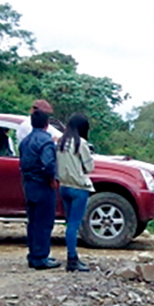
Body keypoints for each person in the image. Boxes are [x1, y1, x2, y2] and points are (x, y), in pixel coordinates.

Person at [19, 100, 60, 269]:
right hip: (43, 185)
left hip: (29, 185)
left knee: (33, 222)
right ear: (47, 123)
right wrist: (52, 179)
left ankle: (33, 255)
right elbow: (48, 164)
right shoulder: (46, 141)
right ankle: (41, 257)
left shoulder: (25, 141)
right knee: (44, 223)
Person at [56, 114, 95, 272]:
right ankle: (72, 259)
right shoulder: (81, 143)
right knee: (74, 225)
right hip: (79, 188)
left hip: (64, 186)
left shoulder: (60, 142)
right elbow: (90, 167)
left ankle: (72, 256)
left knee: (69, 223)